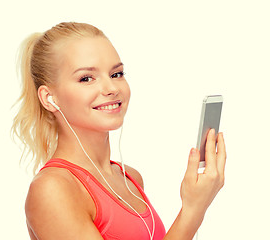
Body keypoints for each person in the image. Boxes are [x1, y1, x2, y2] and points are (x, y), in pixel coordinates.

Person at [12, 22, 226, 240]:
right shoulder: (52, 189)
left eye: (116, 74)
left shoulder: (130, 179)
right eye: (86, 78)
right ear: (50, 98)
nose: (112, 88)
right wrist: (193, 211)